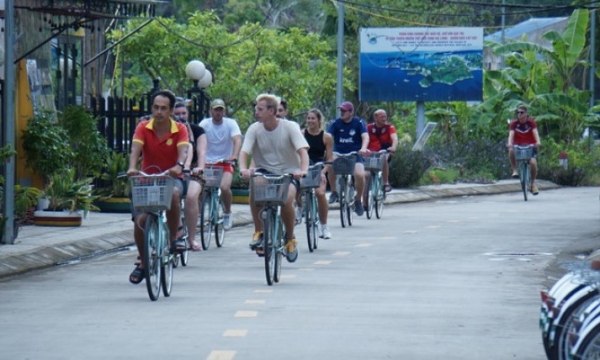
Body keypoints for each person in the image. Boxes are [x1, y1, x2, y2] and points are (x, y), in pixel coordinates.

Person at [127, 90, 190, 284]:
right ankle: (143, 263)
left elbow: (183, 151)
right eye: (156, 107)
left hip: (171, 177)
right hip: (147, 179)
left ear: (171, 110)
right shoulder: (143, 127)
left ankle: (173, 238)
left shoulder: (179, 129)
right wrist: (132, 168)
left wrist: (178, 165)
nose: (159, 112)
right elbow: (135, 150)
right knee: (140, 221)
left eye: (163, 108)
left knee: (174, 193)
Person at [239, 94, 309, 263]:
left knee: (286, 200)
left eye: (260, 109)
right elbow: (244, 152)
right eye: (256, 108)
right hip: (265, 170)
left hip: (290, 171)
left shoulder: (290, 127)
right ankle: (259, 232)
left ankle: (290, 238)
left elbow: (302, 152)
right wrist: (243, 168)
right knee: (255, 187)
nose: (256, 112)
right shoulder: (255, 129)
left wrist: (303, 170)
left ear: (271, 111)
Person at [198, 99, 242, 230]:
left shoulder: (230, 124)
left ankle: (227, 213)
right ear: (210, 111)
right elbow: (198, 139)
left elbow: (237, 140)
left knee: (224, 187)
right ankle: (199, 214)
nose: (218, 112)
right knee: (199, 188)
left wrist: (234, 155)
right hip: (207, 162)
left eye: (220, 110)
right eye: (215, 109)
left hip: (225, 162)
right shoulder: (205, 124)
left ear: (224, 111)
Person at [326, 101, 369, 216]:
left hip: (355, 153)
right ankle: (334, 191)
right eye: (341, 110)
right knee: (330, 164)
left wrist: (363, 148)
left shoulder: (359, 123)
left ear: (351, 112)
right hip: (339, 152)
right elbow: (328, 136)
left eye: (344, 111)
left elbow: (365, 137)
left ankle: (358, 200)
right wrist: (327, 148)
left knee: (360, 175)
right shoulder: (336, 123)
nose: (342, 112)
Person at [174, 101, 206, 251]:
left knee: (191, 197)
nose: (180, 117)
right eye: (177, 114)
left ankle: (192, 238)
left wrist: (198, 167)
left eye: (183, 113)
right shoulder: (168, 130)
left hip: (192, 171)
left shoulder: (197, 130)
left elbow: (199, 152)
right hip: (171, 171)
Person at [302, 108, 333, 239]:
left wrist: (323, 171)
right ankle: (299, 209)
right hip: (305, 165)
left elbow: (329, 158)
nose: (310, 121)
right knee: (296, 186)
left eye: (313, 118)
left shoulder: (326, 137)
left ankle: (324, 225)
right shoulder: (302, 134)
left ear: (319, 120)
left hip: (319, 167)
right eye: (308, 118)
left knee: (320, 193)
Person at [507, 104, 541, 195]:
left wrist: (537, 142)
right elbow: (511, 135)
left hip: (530, 145)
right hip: (518, 145)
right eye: (517, 112)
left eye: (521, 112)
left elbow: (535, 133)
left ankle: (533, 184)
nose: (519, 114)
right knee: (511, 151)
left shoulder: (531, 123)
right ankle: (515, 170)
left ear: (526, 113)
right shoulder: (514, 123)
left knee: (533, 163)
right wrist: (510, 143)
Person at [366, 109, 398, 193]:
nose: (384, 119)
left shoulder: (390, 127)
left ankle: (385, 183)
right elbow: (363, 138)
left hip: (385, 150)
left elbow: (395, 138)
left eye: (385, 117)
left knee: (384, 158)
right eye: (381, 117)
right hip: (370, 152)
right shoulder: (369, 127)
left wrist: (393, 147)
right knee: (365, 172)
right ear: (375, 117)